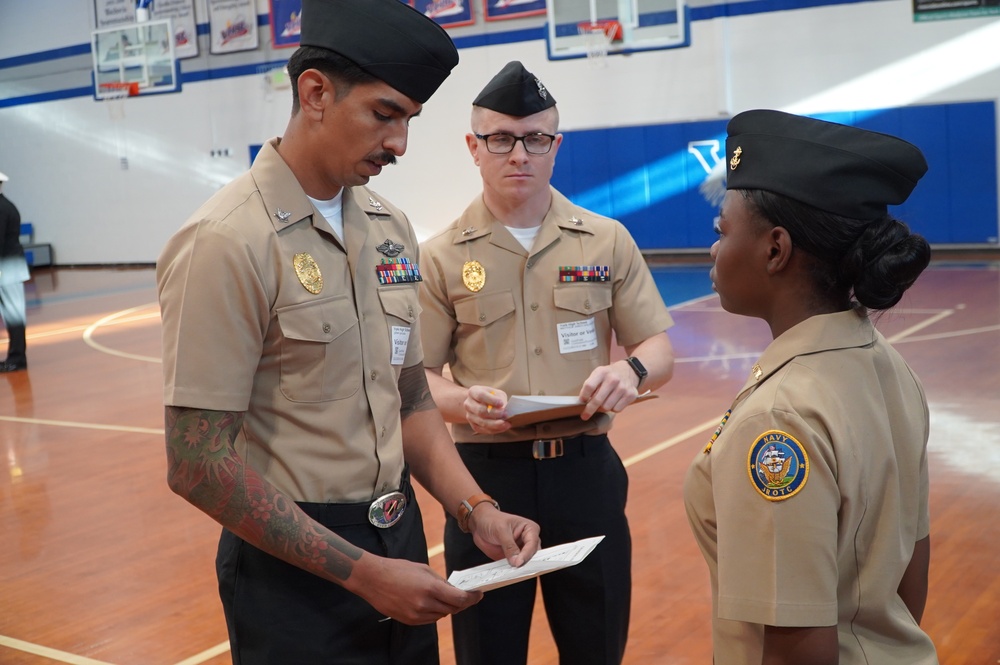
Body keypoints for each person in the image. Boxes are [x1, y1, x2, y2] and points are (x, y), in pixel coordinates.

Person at [155, 3, 541, 663]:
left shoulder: (389, 229)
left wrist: (474, 507)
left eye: (409, 121)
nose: (399, 144)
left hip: (401, 545)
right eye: (385, 114)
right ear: (315, 93)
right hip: (293, 574)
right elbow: (198, 464)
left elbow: (411, 399)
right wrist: (362, 573)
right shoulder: (228, 241)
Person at [418, 61, 676, 665]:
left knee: (596, 647)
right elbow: (417, 380)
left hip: (586, 474)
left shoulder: (606, 239)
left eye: (535, 139)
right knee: (488, 652)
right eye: (500, 139)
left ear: (555, 146)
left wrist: (629, 373)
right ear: (473, 148)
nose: (519, 155)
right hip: (484, 483)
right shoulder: (440, 257)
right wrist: (463, 402)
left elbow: (657, 348)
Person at [683, 109, 938, 665]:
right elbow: (908, 583)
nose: (713, 249)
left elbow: (796, 648)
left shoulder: (778, 417)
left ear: (775, 249)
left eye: (721, 231)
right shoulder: (892, 367)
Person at [0, 171, 29, 373]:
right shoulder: (5, 205)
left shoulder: (1, 208)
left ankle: (17, 359)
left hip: (7, 267)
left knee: (14, 315)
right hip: (8, 266)